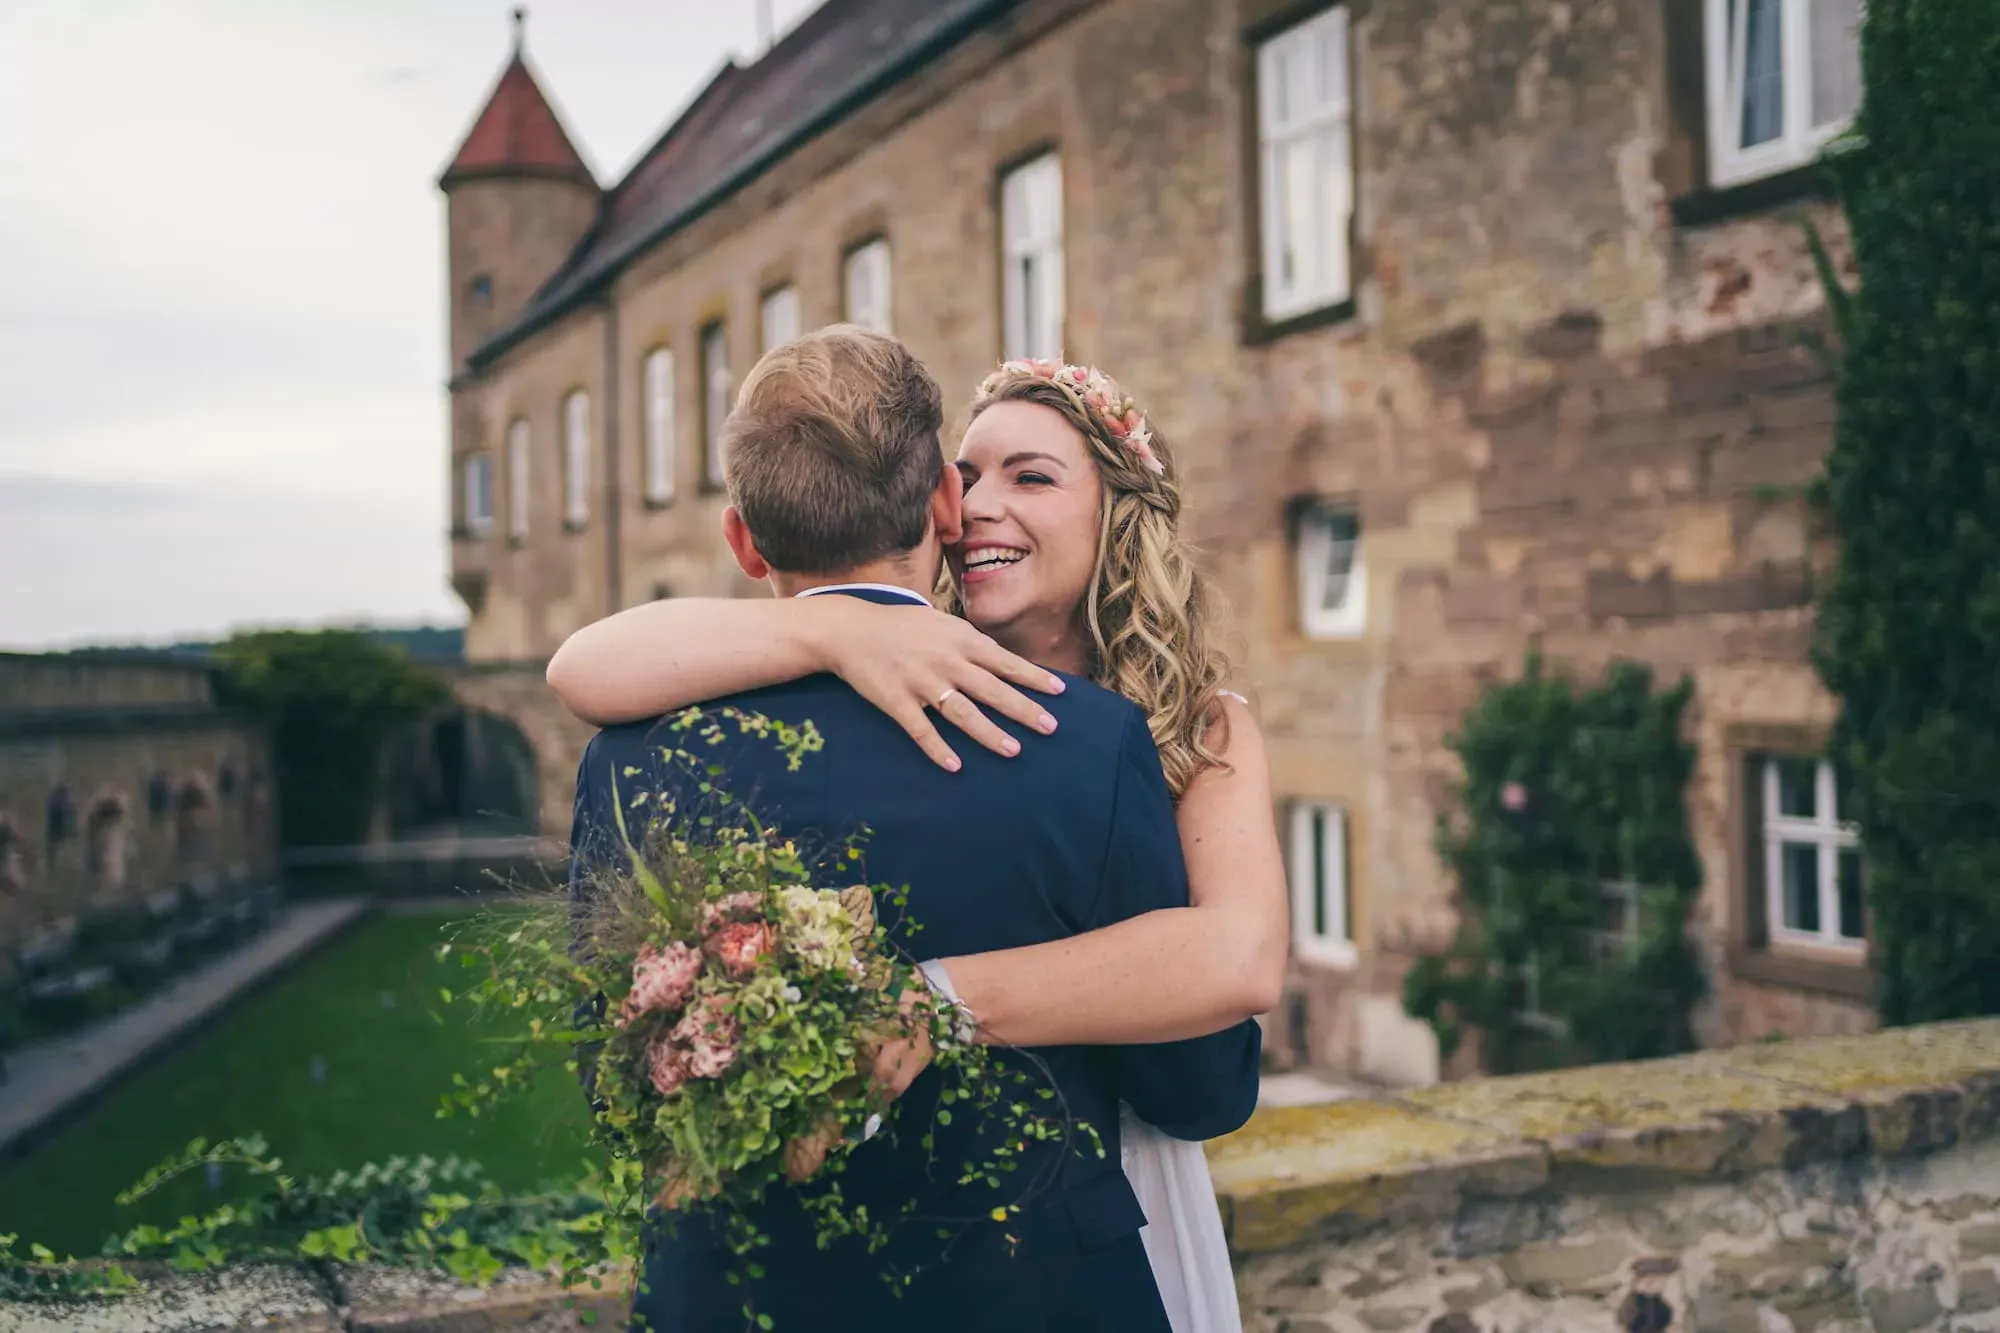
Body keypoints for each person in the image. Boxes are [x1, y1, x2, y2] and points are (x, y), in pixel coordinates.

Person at [550, 343, 1291, 1333]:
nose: (984, 504)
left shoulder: (1167, 726)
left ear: (1116, 510)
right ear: (939, 504)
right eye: (972, 475)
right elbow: (581, 665)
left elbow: (1227, 987)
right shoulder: (1049, 737)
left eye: (1030, 475)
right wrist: (831, 631)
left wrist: (927, 998)